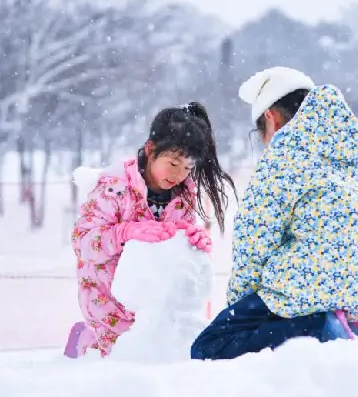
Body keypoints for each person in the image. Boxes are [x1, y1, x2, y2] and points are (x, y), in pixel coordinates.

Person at [191, 67, 358, 361]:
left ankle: (317, 327)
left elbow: (254, 242)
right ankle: (341, 326)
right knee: (275, 318)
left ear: (271, 116)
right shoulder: (347, 159)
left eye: (262, 133)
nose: (266, 142)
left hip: (305, 291)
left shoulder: (284, 157)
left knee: (209, 346)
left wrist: (240, 307)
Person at [65, 102, 236, 359]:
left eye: (188, 168)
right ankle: (87, 337)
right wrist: (124, 233)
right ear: (150, 149)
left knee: (165, 353)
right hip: (108, 299)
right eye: (174, 163)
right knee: (125, 358)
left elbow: (180, 238)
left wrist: (193, 242)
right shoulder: (114, 188)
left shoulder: (183, 194)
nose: (180, 175)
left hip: (154, 299)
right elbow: (82, 242)